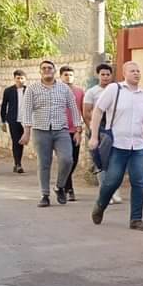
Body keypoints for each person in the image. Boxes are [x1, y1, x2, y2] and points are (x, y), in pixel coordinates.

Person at [89, 60, 143, 231]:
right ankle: (100, 205)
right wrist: (94, 136)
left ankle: (136, 219)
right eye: (132, 71)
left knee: (139, 182)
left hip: (138, 146)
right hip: (117, 145)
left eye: (138, 71)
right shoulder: (114, 89)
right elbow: (98, 111)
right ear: (124, 74)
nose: (136, 73)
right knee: (112, 181)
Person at [20, 59, 83, 207]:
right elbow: (26, 110)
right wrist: (26, 131)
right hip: (40, 130)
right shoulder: (32, 89)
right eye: (44, 68)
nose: (47, 70)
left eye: (49, 68)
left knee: (67, 160)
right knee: (44, 163)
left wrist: (78, 130)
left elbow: (74, 108)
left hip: (61, 130)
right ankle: (45, 195)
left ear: (54, 71)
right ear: (40, 71)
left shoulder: (64, 88)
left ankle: (60, 186)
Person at [84, 63, 122, 204]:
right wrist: (94, 130)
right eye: (103, 74)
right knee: (101, 161)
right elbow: (87, 112)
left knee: (115, 160)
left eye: (108, 74)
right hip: (99, 129)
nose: (105, 77)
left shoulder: (118, 90)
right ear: (98, 75)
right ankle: (104, 192)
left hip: (115, 128)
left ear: (112, 75)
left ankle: (115, 191)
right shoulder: (92, 92)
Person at [59, 65, 86, 201]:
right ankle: (69, 189)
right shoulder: (56, 91)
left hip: (74, 130)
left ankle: (63, 184)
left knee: (74, 160)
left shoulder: (79, 92)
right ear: (60, 77)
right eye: (65, 75)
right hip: (60, 131)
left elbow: (83, 111)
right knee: (66, 160)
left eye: (70, 75)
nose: (68, 77)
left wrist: (81, 129)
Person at [1, 69, 28, 174]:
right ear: (14, 79)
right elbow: (4, 106)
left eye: (22, 78)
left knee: (22, 141)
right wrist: (3, 121)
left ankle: (18, 163)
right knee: (16, 141)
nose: (20, 80)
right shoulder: (8, 91)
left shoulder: (28, 90)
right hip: (13, 120)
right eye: (18, 78)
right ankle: (18, 164)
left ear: (25, 79)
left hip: (26, 120)